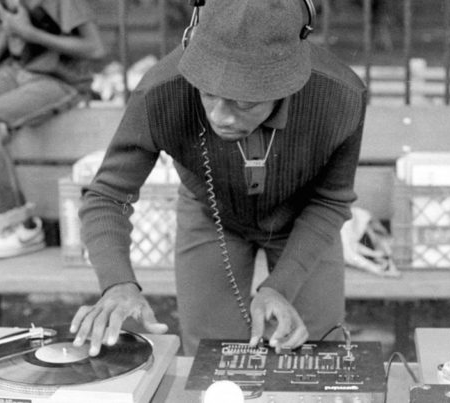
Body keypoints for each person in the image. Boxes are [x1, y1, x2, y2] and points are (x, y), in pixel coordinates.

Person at [69, 0, 367, 356]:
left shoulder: (341, 96)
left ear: (286, 84)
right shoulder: (161, 89)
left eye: (244, 103)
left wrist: (280, 287)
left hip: (305, 219)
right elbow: (107, 196)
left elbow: (330, 200)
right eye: (209, 93)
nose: (220, 117)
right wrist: (117, 284)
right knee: (210, 357)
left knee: (316, 354)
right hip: (209, 215)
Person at [0, 0, 105, 258]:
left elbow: (95, 47)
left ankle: (22, 228)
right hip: (18, 72)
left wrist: (31, 34)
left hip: (59, 80)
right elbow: (12, 30)